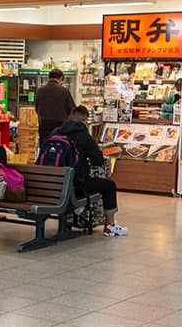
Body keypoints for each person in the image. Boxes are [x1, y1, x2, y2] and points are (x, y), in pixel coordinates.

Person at [56, 105, 128, 237]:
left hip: (53, 185)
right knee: (109, 186)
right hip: (76, 184)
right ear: (85, 120)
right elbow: (98, 161)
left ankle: (70, 219)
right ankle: (110, 225)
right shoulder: (83, 135)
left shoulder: (57, 132)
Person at [34, 68, 76, 146]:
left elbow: (37, 109)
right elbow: (72, 109)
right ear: (60, 78)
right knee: (59, 149)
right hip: (60, 126)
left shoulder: (40, 91)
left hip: (44, 126)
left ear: (48, 78)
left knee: (45, 148)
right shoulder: (64, 91)